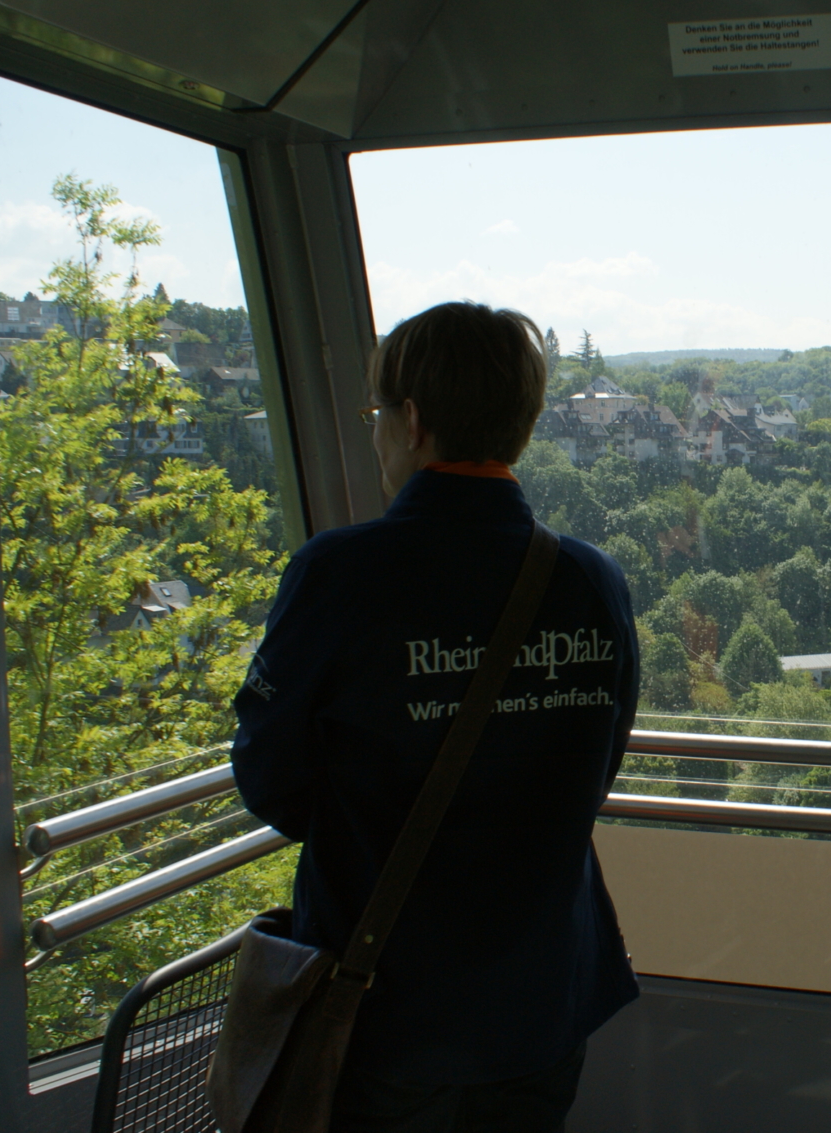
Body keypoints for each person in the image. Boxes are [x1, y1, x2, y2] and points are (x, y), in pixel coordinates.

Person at [232, 301, 640, 1132]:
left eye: (377, 414)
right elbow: (595, 766)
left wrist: (366, 828)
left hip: (391, 1008)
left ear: (412, 421)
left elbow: (270, 778)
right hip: (544, 1000)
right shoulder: (590, 579)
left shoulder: (340, 575)